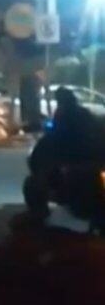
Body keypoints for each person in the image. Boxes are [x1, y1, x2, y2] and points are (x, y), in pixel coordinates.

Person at [22, 87, 105, 222]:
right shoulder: (82, 116)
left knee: (33, 183)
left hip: (83, 178)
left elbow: (38, 161)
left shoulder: (66, 121)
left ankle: (37, 216)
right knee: (34, 182)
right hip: (76, 179)